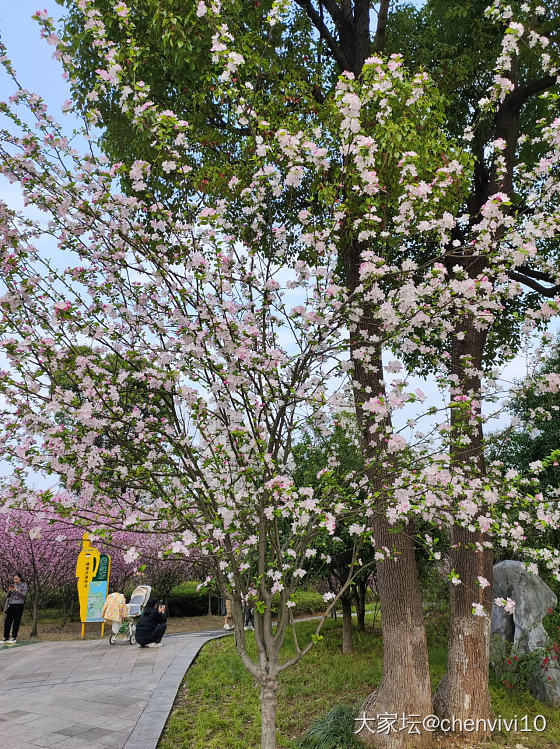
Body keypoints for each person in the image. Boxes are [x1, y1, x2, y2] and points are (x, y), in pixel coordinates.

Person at [2, 573, 28, 644]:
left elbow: (24, 595)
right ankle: (6, 637)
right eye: (14, 579)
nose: (15, 580)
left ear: (20, 578)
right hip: (11, 605)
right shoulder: (12, 585)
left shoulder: (24, 585)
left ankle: (14, 637)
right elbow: (7, 596)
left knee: (16, 621)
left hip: (19, 605)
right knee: (7, 621)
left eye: (16, 579)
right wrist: (9, 591)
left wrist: (17, 591)